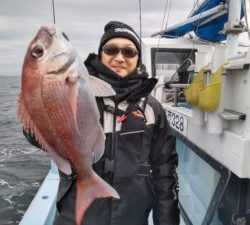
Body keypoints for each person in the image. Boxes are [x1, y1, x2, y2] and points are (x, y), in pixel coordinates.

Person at [24, 21, 180, 225]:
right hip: (76, 216)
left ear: (138, 59)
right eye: (111, 50)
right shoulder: (75, 93)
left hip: (132, 218)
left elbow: (164, 172)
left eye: (129, 52)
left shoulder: (152, 110)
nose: (119, 57)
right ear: (100, 54)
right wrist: (40, 97)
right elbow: (36, 137)